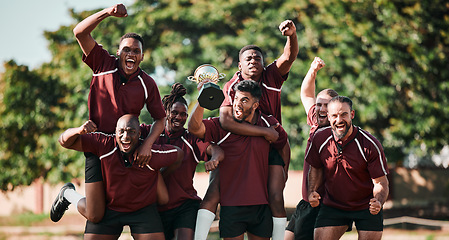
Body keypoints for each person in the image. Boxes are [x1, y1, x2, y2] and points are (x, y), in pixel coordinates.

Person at [50, 3, 167, 224]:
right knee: (95, 214)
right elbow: (79, 32)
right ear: (118, 53)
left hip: (128, 147)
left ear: (142, 56)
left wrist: (147, 144)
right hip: (97, 144)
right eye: (126, 50)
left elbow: (160, 119)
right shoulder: (103, 63)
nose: (131, 54)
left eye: (136, 51)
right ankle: (68, 194)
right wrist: (108, 13)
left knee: (152, 200)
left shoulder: (147, 83)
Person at [195, 19, 298, 240]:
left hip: (268, 145)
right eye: (248, 58)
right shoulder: (232, 86)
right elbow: (225, 122)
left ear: (263, 64)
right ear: (239, 66)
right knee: (214, 190)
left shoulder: (272, 76)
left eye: (257, 58)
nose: (253, 60)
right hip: (237, 144)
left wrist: (291, 35)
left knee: (276, 197)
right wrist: (262, 132)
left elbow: (289, 57)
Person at [189, 80, 289, 240]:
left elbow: (283, 145)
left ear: (255, 105)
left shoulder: (269, 124)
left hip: (261, 207)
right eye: (236, 99)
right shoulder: (221, 126)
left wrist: (284, 173)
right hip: (231, 207)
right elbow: (194, 128)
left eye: (244, 100)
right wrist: (202, 100)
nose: (237, 104)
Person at [57, 114, 183, 239]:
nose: (125, 136)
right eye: (121, 132)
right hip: (110, 209)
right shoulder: (105, 144)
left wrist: (159, 175)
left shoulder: (151, 154)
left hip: (142, 210)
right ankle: (68, 193)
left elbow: (179, 154)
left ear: (139, 134)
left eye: (131, 132)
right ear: (115, 132)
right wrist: (79, 130)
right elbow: (64, 141)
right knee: (94, 214)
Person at [141, 83, 224, 240]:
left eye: (183, 114)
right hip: (154, 207)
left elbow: (216, 150)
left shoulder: (190, 139)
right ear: (165, 113)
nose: (179, 117)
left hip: (184, 206)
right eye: (174, 112)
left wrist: (214, 159)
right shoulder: (150, 133)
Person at [306, 96, 389, 240]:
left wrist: (378, 202)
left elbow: (380, 182)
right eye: (334, 116)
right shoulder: (319, 139)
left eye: (344, 114)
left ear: (352, 115)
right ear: (329, 116)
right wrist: (312, 191)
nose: (339, 120)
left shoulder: (370, 144)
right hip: (333, 205)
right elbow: (315, 169)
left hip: (366, 206)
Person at [284, 57, 338, 240]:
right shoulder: (315, 122)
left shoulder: (338, 133)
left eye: (326, 105)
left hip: (322, 205)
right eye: (319, 104)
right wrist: (313, 70)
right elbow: (306, 94)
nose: (320, 108)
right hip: (305, 203)